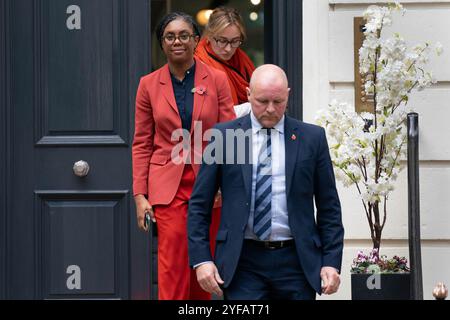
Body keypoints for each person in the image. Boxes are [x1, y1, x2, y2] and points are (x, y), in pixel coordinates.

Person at [188, 64, 344, 300]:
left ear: (288, 95)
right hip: (243, 262)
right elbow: (199, 205)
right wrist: (202, 259)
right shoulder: (224, 137)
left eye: (278, 102)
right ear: (248, 94)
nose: (270, 109)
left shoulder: (312, 138)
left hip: (297, 262)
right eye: (262, 101)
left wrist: (331, 262)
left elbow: (329, 206)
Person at [132, 12, 235, 300]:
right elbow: (141, 142)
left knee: (203, 266)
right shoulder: (148, 85)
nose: (177, 41)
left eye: (184, 35)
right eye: (170, 36)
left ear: (196, 40)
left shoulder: (217, 79)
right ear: (162, 44)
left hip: (210, 184)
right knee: (172, 267)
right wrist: (140, 195)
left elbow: (229, 135)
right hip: (169, 187)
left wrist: (225, 184)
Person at [195, 7, 255, 106]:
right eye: (222, 41)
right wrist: (252, 107)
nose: (228, 49)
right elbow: (210, 111)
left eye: (235, 41)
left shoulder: (242, 59)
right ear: (209, 35)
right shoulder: (197, 63)